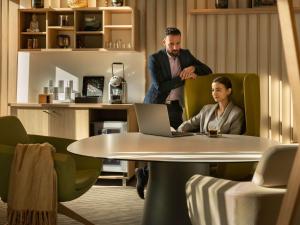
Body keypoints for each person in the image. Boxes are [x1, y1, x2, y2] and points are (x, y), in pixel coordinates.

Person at [135, 27, 212, 199]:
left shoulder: (185, 55)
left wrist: (192, 67)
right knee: (155, 146)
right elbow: (160, 86)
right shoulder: (154, 59)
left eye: (178, 43)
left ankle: (148, 176)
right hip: (155, 106)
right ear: (164, 43)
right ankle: (147, 176)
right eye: (172, 44)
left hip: (175, 107)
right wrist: (182, 77)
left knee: (176, 145)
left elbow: (207, 70)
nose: (176, 47)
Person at [177, 76, 244, 135]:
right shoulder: (206, 109)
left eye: (218, 90)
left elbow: (235, 138)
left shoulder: (236, 113)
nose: (214, 93)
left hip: (222, 148)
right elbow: (190, 123)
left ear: (228, 91)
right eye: (212, 90)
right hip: (203, 146)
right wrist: (178, 131)